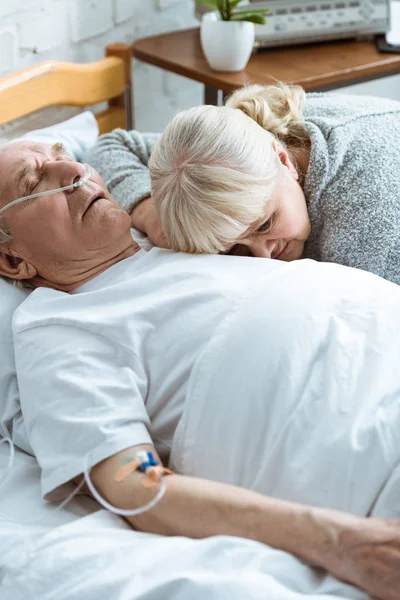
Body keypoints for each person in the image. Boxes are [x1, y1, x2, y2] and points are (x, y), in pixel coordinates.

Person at [0, 140, 400, 600]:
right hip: (369, 444)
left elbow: (162, 142)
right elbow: (132, 487)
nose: (72, 169)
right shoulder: (60, 325)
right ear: (13, 260)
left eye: (63, 152)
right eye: (34, 180)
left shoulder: (180, 225)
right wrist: (342, 543)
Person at [88, 84, 400, 284]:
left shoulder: (364, 230)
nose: (263, 257)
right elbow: (112, 145)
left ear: (283, 160)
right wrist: (151, 213)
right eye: (235, 249)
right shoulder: (225, 148)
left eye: (265, 223)